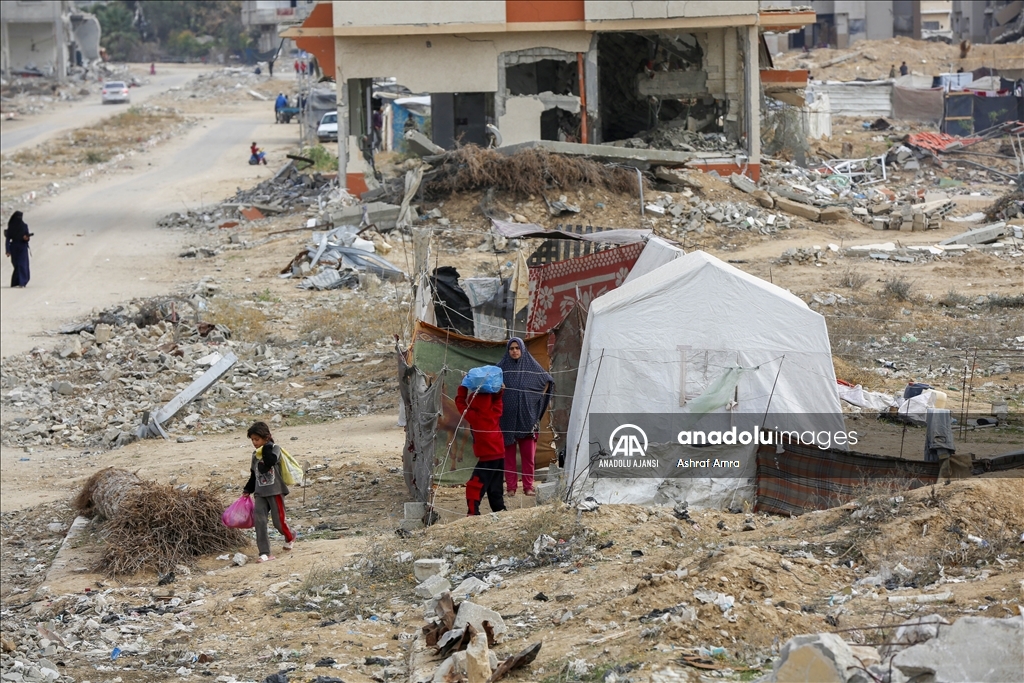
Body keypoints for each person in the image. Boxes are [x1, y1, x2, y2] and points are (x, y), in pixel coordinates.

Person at [498, 338, 553, 497]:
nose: (514, 351)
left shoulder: (532, 367)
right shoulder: (501, 369)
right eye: (511, 348)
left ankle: (528, 486)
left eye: (517, 348)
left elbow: (548, 380)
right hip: (507, 419)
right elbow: (489, 383)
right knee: (508, 456)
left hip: (527, 419)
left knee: (528, 457)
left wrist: (535, 399)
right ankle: (511, 488)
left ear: (522, 349)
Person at [242, 421, 296, 562]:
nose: (254, 442)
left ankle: (290, 536)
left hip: (275, 491)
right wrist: (247, 489)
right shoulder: (255, 455)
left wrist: (267, 446)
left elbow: (269, 462)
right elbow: (254, 475)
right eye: (252, 440)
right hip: (260, 493)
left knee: (279, 522)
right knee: (260, 522)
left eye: (257, 439)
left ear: (266, 438)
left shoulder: (274, 449)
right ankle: (264, 553)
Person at [456, 373, 506, 515]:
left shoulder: (473, 415)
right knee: (495, 485)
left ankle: (473, 511)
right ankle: (500, 510)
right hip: (500, 453)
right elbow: (497, 399)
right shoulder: (495, 411)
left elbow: (460, 403)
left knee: (475, 484)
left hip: (486, 456)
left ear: (473, 402)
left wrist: (463, 386)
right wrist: (500, 391)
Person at [5, 211, 31, 288]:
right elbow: (7, 240)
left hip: (22, 247)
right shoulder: (11, 227)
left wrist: (26, 238)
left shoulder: (24, 226)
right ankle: (16, 281)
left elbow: (27, 237)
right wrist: (8, 250)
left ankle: (22, 282)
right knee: (16, 265)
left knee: (22, 264)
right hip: (14, 247)